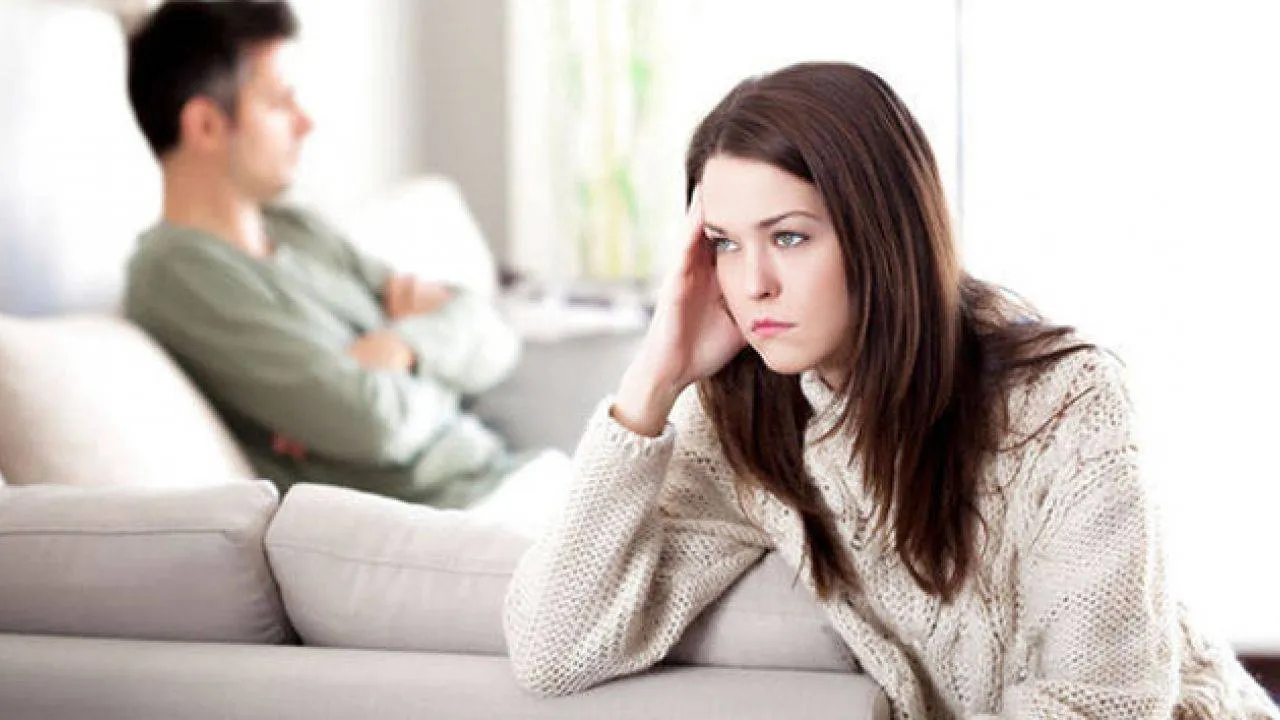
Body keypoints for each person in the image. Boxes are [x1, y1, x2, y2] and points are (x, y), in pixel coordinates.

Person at [503, 62, 1279, 718]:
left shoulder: (1067, 402)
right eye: (724, 244)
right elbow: (551, 648)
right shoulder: (746, 419)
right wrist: (652, 381)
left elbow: (1101, 704)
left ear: (881, 232)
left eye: (789, 237)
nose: (753, 282)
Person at [122, 1, 523, 509]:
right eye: (279, 103)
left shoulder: (297, 226)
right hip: (448, 514)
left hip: (509, 476)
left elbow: (494, 336)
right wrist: (443, 371)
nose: (306, 123)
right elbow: (373, 425)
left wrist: (402, 349)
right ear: (205, 125)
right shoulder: (176, 274)